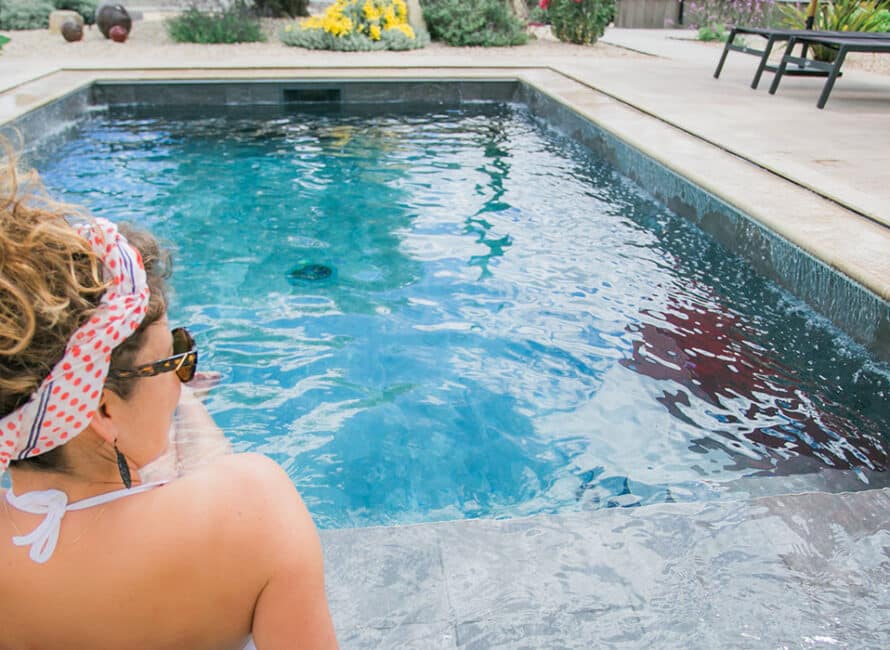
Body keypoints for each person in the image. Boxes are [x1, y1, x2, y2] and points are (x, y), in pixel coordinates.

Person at [0, 145, 339, 650]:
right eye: (173, 361)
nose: (182, 380)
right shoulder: (257, 509)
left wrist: (162, 388)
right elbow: (224, 491)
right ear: (101, 410)